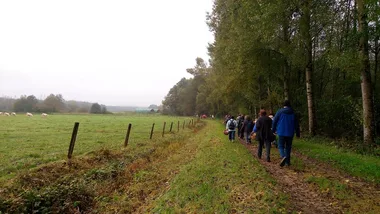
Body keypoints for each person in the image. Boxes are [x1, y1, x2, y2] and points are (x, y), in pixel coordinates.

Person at [272, 100, 300, 167]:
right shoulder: (293, 112)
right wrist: (298, 133)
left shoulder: (280, 112)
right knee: (288, 147)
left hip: (281, 131)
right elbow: (297, 124)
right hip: (290, 132)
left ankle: (283, 156)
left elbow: (274, 121)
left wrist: (273, 130)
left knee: (280, 145)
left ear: (283, 105)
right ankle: (288, 162)